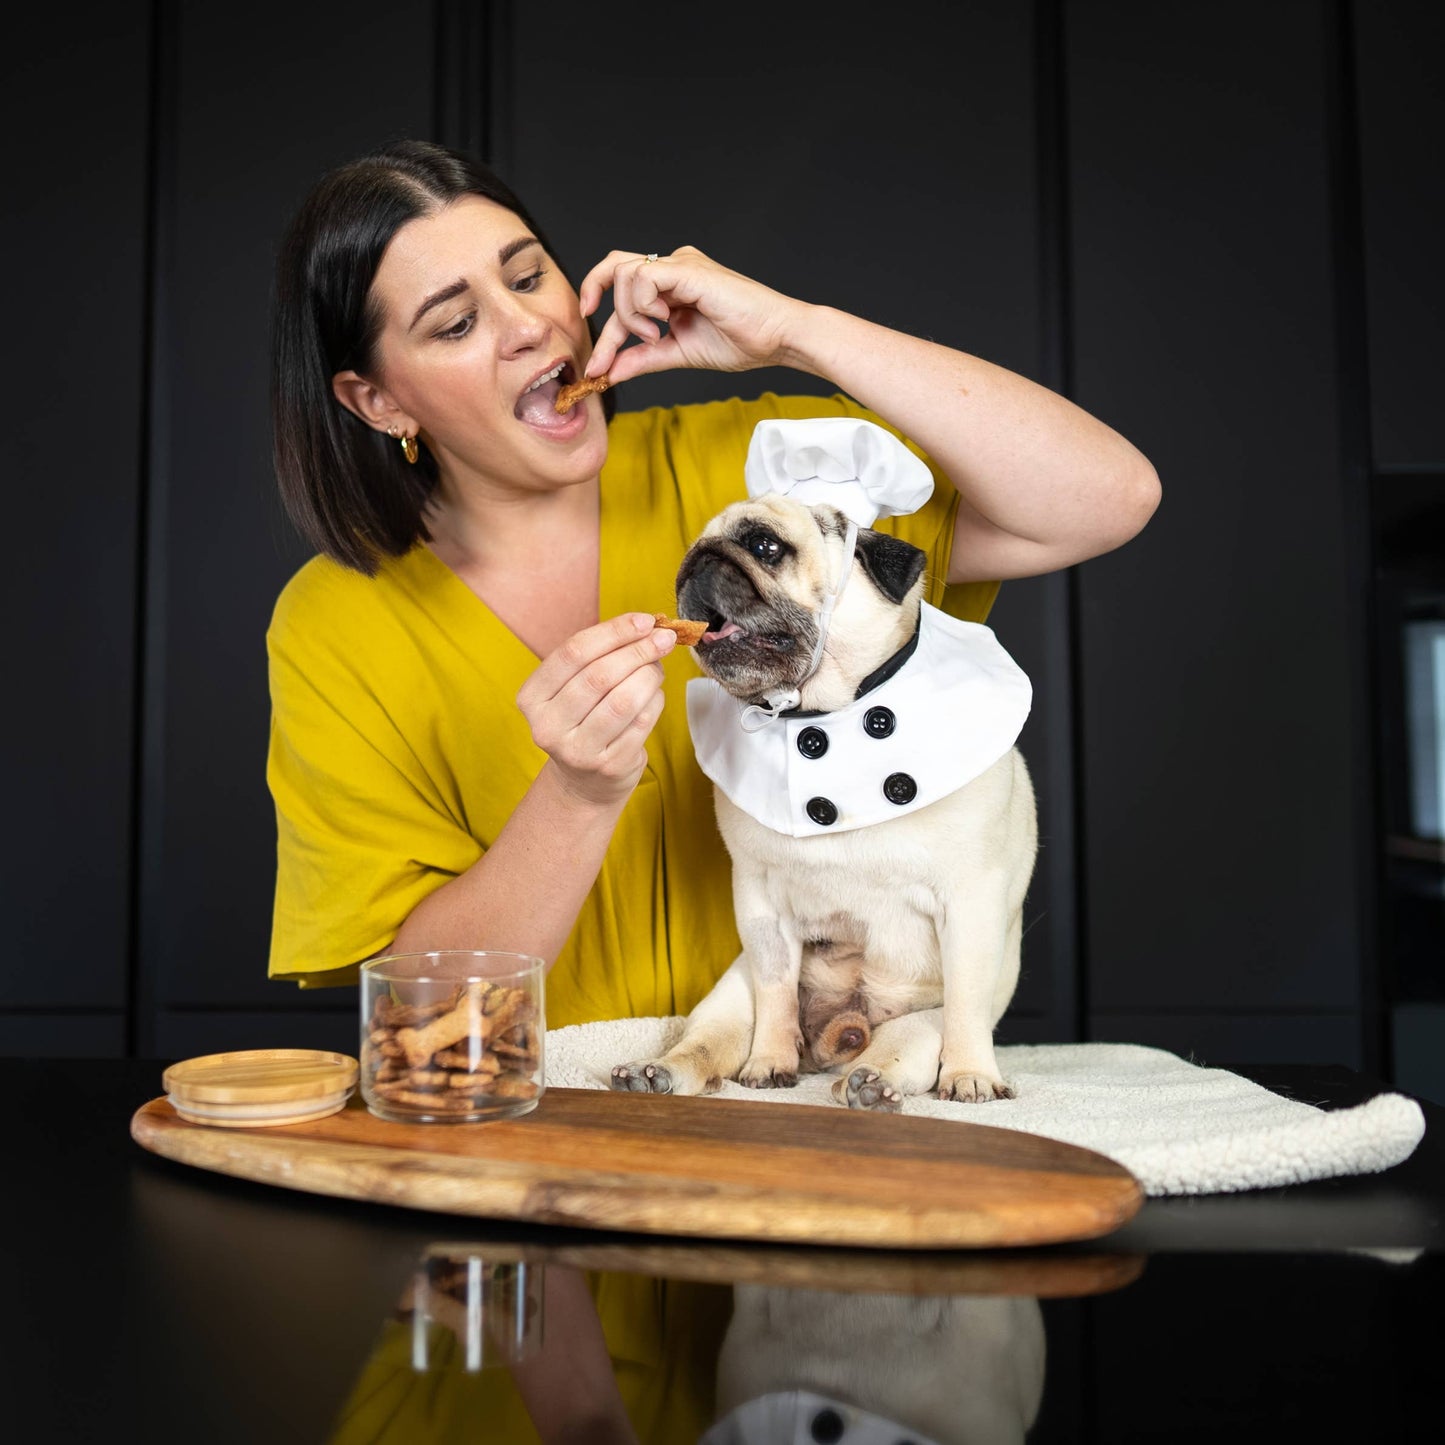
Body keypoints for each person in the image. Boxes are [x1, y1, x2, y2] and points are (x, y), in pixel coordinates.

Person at [266, 138, 1159, 1027]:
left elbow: (1105, 498)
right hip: (558, 1103)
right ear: (378, 400)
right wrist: (575, 794)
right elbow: (418, 1000)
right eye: (456, 324)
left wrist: (796, 333)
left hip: (823, 1084)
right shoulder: (332, 626)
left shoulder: (768, 479)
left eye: (529, 276)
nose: (529, 325)